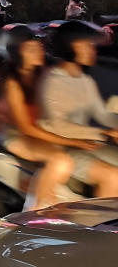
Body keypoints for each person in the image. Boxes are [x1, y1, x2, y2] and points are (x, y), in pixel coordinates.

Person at [0, 25, 108, 209]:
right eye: (31, 49)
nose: (39, 52)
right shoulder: (12, 85)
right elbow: (26, 128)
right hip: (18, 135)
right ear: (16, 54)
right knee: (61, 161)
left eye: (39, 46)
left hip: (44, 131)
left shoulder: (44, 72)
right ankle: (32, 210)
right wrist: (74, 141)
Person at [39, 20, 118, 187]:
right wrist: (103, 133)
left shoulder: (84, 80)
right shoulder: (53, 80)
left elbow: (102, 114)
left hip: (86, 145)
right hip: (62, 149)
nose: (92, 50)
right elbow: (57, 126)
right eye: (86, 45)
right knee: (114, 177)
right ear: (70, 46)